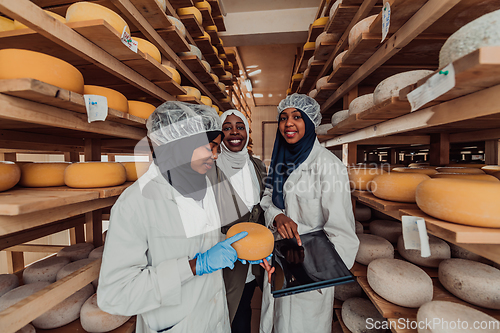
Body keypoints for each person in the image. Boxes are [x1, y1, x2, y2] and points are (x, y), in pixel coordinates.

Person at [97, 102, 250, 333]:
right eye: (207, 147)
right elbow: (116, 294)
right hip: (176, 325)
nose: (215, 155)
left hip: (214, 319)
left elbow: (200, 240)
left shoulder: (202, 184)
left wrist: (240, 249)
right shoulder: (135, 204)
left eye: (216, 147)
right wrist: (195, 266)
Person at [259, 94, 360, 333]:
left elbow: (342, 233)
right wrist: (276, 216)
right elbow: (267, 199)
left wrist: (317, 276)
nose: (288, 123)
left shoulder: (328, 166)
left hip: (312, 270)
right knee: (275, 323)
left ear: (310, 122)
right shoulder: (280, 160)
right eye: (283, 118)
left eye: (297, 117)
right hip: (280, 261)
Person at [216, 110, 267, 333]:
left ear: (247, 131)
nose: (234, 132)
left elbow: (265, 207)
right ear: (220, 134)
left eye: (240, 126)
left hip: (255, 259)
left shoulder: (258, 166)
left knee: (244, 310)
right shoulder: (212, 167)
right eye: (227, 127)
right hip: (223, 260)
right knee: (225, 312)